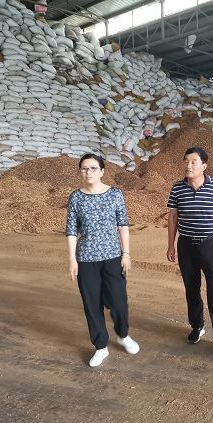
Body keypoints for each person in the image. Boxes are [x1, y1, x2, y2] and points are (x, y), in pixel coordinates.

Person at [66, 153, 140, 367]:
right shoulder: (76, 197)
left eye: (93, 168)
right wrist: (72, 260)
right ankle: (100, 346)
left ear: (102, 171)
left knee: (118, 301)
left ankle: (123, 335)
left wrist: (126, 253)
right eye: (84, 168)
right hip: (86, 259)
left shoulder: (115, 194)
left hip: (113, 257)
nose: (88, 172)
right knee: (92, 304)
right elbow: (71, 231)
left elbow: (123, 225)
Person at [166, 147, 213, 352]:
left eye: (193, 162)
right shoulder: (177, 188)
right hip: (186, 245)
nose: (188, 165)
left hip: (210, 244)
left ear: (204, 166)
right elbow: (173, 217)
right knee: (192, 289)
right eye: (186, 161)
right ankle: (197, 326)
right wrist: (170, 244)